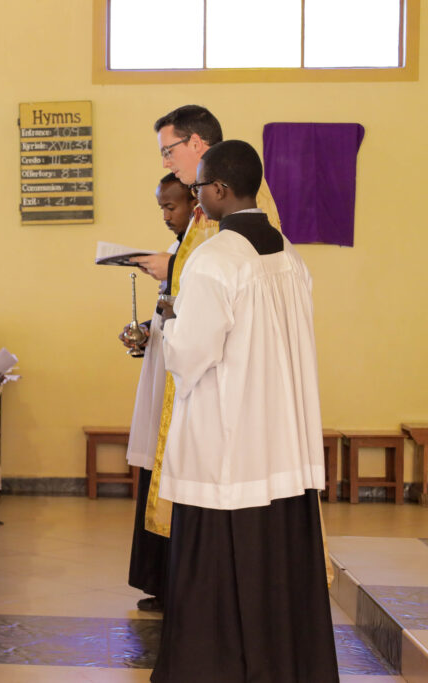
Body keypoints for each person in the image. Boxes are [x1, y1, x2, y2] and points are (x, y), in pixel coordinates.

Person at [150, 141, 336, 683]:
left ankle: (215, 668)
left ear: (221, 189)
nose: (197, 197)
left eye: (200, 186)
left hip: (228, 451)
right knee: (276, 573)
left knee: (217, 575)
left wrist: (167, 318)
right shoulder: (287, 252)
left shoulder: (216, 257)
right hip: (281, 445)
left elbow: (191, 353)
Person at [134, 105, 280, 540]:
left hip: (223, 366)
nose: (165, 161)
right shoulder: (204, 198)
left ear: (196, 144)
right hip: (194, 340)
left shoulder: (232, 199)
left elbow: (225, 272)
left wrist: (173, 264)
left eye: (168, 150)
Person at [123, 173, 195, 613]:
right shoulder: (175, 253)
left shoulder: (200, 255)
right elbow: (168, 315)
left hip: (183, 386)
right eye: (161, 208)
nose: (166, 216)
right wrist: (144, 332)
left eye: (172, 207)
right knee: (153, 475)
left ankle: (178, 585)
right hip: (161, 374)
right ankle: (159, 581)